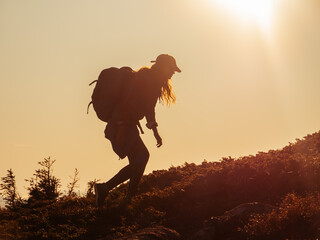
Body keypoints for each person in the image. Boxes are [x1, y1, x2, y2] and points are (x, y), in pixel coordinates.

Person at [94, 54, 181, 209]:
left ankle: (112, 191)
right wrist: (121, 130)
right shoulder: (144, 79)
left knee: (140, 159)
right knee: (141, 158)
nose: (173, 73)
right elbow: (127, 104)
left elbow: (149, 109)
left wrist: (155, 131)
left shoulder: (153, 82)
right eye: (171, 70)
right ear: (163, 67)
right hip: (121, 123)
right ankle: (120, 194)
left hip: (127, 124)